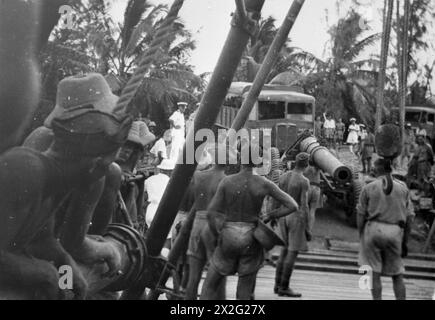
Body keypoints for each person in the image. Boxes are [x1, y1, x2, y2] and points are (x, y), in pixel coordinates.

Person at [0, 108, 132, 300]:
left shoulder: (57, 182)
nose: (105, 174)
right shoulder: (26, 169)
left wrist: (67, 272)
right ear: (95, 164)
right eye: (106, 167)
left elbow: (41, 241)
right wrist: (45, 273)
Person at [200, 143, 299, 300]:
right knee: (245, 290)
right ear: (258, 162)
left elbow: (212, 212)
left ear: (240, 159)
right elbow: (292, 205)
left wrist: (217, 232)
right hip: (251, 236)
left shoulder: (227, 182)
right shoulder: (264, 183)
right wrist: (271, 215)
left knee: (210, 285)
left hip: (228, 235)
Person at [357, 158, 415, 300]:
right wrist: (405, 241)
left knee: (374, 273)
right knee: (397, 275)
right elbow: (409, 218)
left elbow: (360, 215)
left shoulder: (369, 187)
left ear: (377, 170)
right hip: (395, 230)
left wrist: (361, 236)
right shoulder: (403, 189)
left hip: (374, 228)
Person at [184, 144, 232, 300]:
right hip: (215, 224)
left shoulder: (198, 176)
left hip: (197, 223)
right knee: (218, 272)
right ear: (228, 162)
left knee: (194, 275)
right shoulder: (226, 180)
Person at [274, 153, 310, 298]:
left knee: (284, 250)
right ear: (306, 165)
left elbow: (276, 197)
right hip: (295, 216)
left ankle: (277, 285)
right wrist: (307, 228)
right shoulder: (304, 181)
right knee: (292, 253)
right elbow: (304, 205)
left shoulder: (283, 176)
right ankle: (284, 286)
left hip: (283, 216)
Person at [115, 121, 155, 230]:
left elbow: (135, 206)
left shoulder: (131, 173)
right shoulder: (113, 170)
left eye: (131, 147)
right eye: (125, 145)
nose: (127, 150)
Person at [144, 159, 175, 257]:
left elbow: (144, 198)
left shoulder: (149, 180)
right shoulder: (171, 181)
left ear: (161, 169)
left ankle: (149, 257)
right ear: (170, 171)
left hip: (151, 209)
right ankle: (163, 258)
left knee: (152, 235)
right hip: (163, 210)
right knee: (167, 238)